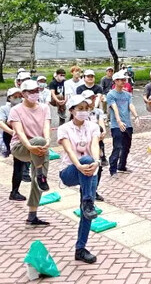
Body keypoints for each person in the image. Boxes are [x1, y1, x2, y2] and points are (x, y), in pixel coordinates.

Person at [57, 95, 101, 263]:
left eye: (86, 109)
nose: (84, 112)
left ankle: (80, 249)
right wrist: (80, 165)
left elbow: (95, 144)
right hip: (70, 171)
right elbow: (68, 150)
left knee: (87, 213)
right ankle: (88, 201)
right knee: (86, 160)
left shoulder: (93, 126)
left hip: (90, 172)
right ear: (71, 111)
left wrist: (97, 162)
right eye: (80, 109)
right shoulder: (65, 128)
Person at [9, 80, 52, 225]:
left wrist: (48, 141)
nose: (35, 94)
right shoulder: (16, 110)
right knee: (38, 141)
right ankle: (39, 173)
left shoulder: (45, 108)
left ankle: (32, 215)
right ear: (23, 94)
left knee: (38, 183)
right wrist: (30, 145)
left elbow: (46, 126)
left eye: (37, 91)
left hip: (39, 149)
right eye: (31, 91)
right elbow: (19, 132)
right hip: (21, 147)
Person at [107, 71, 140, 177]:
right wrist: (119, 121)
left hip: (128, 124)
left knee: (127, 146)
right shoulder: (111, 94)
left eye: (124, 80)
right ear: (115, 81)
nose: (123, 82)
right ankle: (113, 169)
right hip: (116, 126)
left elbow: (131, 105)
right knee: (117, 147)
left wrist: (136, 116)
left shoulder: (127, 94)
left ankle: (122, 165)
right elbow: (114, 107)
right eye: (121, 80)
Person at [0, 88, 28, 201]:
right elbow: (1, 122)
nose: (17, 98)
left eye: (19, 96)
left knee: (22, 163)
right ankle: (14, 191)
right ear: (9, 98)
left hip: (23, 136)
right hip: (11, 137)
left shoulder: (24, 108)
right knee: (18, 164)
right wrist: (12, 131)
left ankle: (17, 187)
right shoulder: (4, 109)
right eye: (14, 96)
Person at [81, 90, 108, 201]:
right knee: (87, 166)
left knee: (99, 167)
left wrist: (103, 132)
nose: (92, 100)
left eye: (93, 98)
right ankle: (86, 192)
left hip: (98, 142)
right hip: (86, 142)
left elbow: (101, 123)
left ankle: (94, 190)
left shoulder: (98, 111)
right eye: (89, 98)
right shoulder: (81, 112)